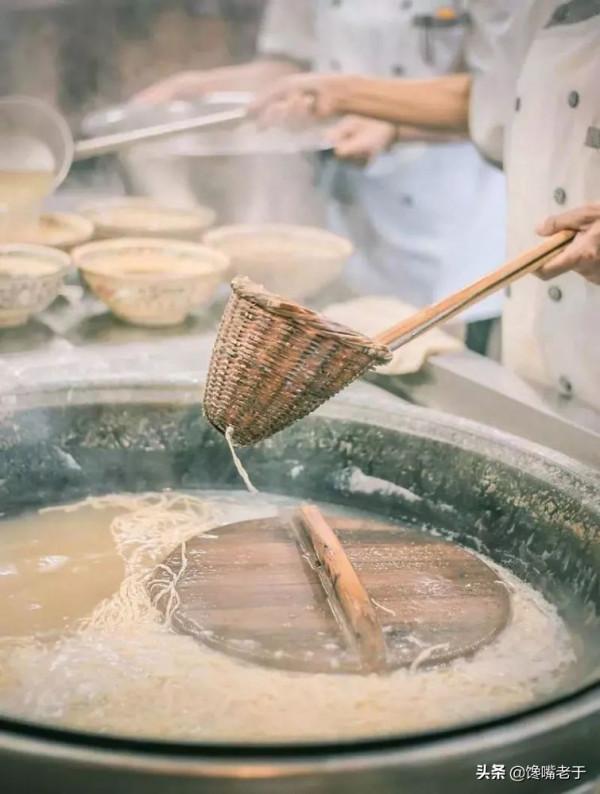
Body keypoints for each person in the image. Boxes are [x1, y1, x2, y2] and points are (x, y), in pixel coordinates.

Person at [252, 0, 600, 413]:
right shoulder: (530, 13)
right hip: (534, 309)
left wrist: (347, 94)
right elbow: (498, 109)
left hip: (467, 244)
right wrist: (385, 118)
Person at [136, 0, 514, 354]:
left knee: (444, 375)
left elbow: (504, 99)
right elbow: (292, 70)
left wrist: (394, 126)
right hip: (354, 218)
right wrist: (204, 88)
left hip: (455, 229)